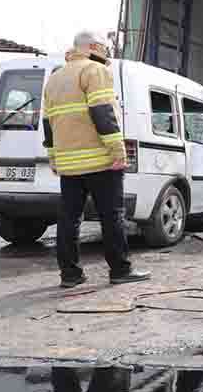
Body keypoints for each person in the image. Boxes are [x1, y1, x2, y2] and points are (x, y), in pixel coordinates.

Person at [41, 32, 150, 288]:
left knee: (69, 218)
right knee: (112, 216)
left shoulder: (55, 78)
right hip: (100, 160)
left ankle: (70, 274)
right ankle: (120, 270)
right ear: (93, 47)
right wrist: (117, 151)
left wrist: (53, 157)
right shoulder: (94, 70)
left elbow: (48, 123)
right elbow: (102, 112)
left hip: (69, 164)